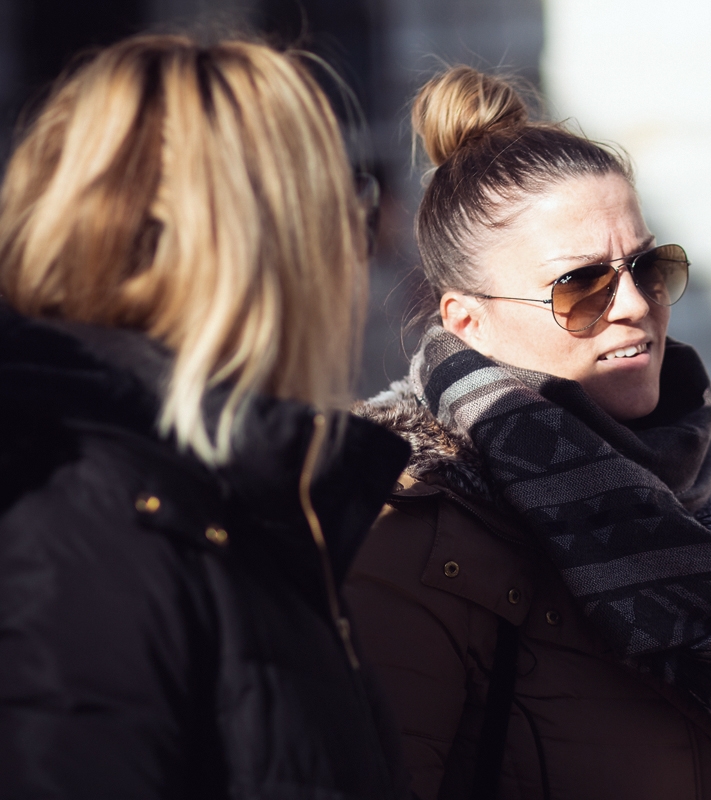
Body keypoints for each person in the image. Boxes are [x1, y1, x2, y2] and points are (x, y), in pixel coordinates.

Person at [344, 67, 711, 800]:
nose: (634, 305)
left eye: (648, 267)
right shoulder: (410, 531)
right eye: (581, 284)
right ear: (467, 320)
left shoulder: (696, 497)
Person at [0, 35, 412, 797]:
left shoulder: (221, 492)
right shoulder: (87, 521)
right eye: (348, 205)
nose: (358, 250)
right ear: (266, 247)